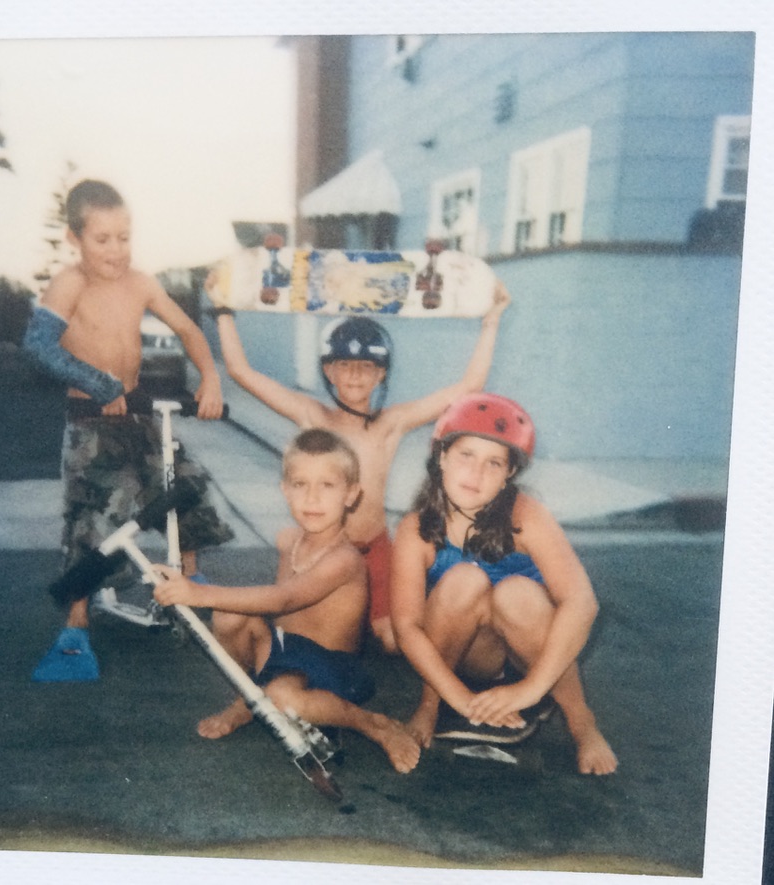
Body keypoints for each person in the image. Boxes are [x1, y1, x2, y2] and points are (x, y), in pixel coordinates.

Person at [211, 278, 511, 654]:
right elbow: (240, 371)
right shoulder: (313, 416)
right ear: (329, 371)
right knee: (305, 634)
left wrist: (491, 320)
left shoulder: (391, 424)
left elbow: (470, 386)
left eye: (366, 366)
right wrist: (222, 309)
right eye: (345, 365)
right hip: (325, 550)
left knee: (393, 641)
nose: (355, 375)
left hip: (374, 549)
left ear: (381, 373)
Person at [25, 179, 233, 682]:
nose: (116, 250)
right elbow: (39, 344)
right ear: (75, 238)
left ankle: (191, 582)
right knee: (96, 516)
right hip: (91, 419)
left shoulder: (140, 282)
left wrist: (210, 377)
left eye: (124, 237)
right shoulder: (70, 283)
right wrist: (96, 383)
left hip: (136, 412)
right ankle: (76, 628)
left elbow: (187, 329)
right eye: (103, 239)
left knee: (185, 483)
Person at [152, 428, 421, 774]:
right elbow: (276, 612)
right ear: (285, 490)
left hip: (331, 668)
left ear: (351, 494)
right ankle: (248, 699)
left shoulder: (344, 559)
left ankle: (372, 724)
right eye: (300, 484)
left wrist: (199, 592)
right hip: (285, 652)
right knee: (227, 616)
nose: (312, 498)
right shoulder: (289, 539)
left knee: (282, 697)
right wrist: (215, 601)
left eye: (327, 485)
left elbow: (284, 599)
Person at [390, 392, 618, 775]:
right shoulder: (416, 528)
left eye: (493, 463)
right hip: (470, 655)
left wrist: (529, 689)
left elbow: (582, 602)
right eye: (466, 455)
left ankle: (581, 721)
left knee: (517, 593)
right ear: (441, 456)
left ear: (509, 474)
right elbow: (406, 626)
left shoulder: (526, 515)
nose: (476, 473)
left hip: (528, 653)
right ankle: (429, 706)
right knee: (463, 579)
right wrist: (458, 699)